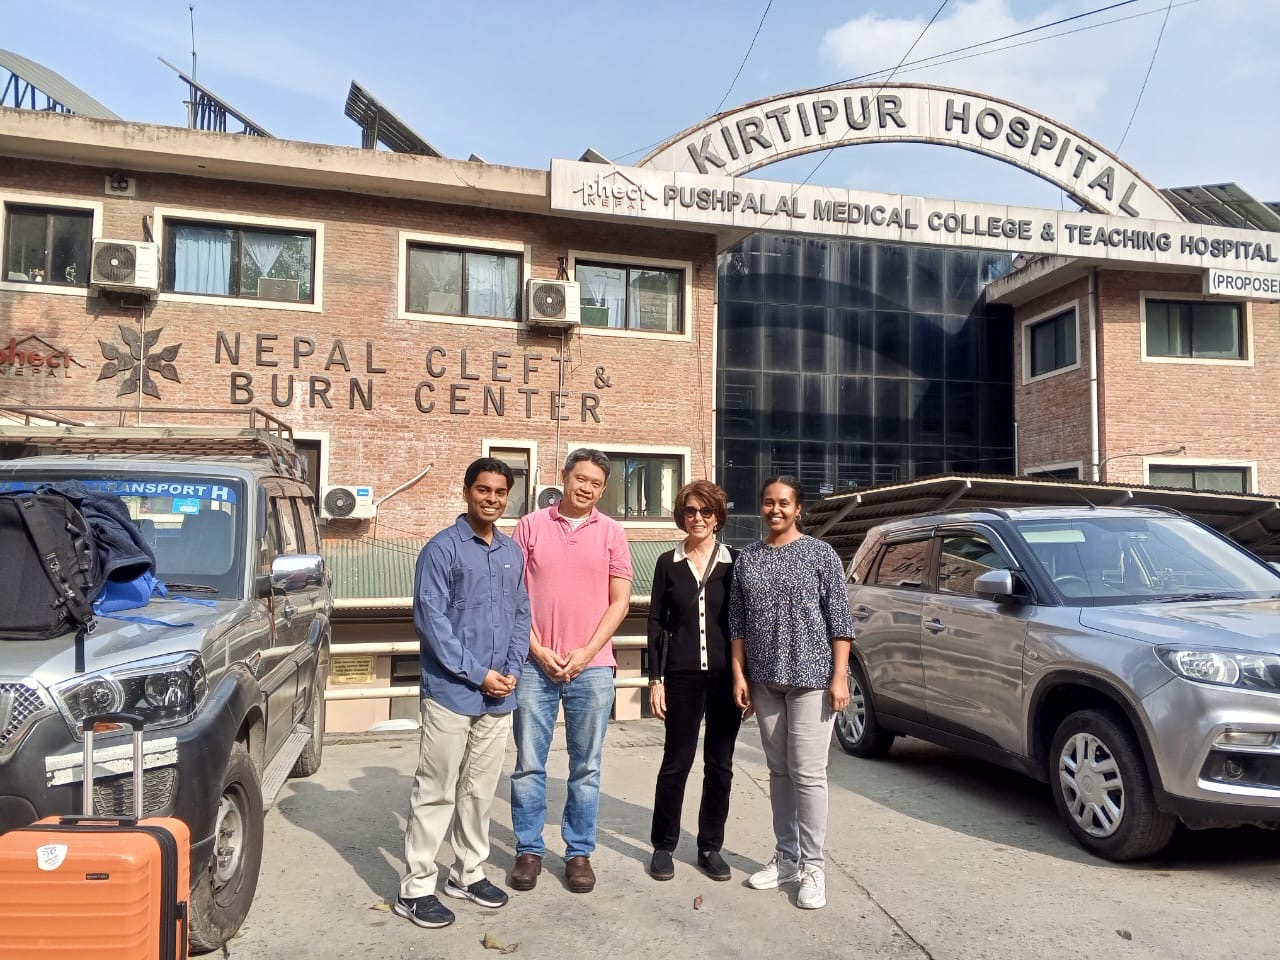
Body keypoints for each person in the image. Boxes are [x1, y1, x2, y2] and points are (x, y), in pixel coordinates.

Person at [394, 457, 531, 930]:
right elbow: (433, 625)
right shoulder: (441, 550)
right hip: (451, 692)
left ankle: (468, 873)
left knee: (479, 791)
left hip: (499, 694)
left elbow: (520, 617)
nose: (491, 499)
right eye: (483, 490)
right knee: (436, 790)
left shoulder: (512, 553)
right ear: (467, 491)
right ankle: (415, 889)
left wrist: (510, 670)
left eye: (499, 492)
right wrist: (479, 674)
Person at [509, 448, 633, 894]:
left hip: (593, 668)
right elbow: (513, 597)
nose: (587, 488)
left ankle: (578, 852)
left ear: (602, 488)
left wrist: (585, 652)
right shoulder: (530, 526)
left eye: (596, 483)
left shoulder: (613, 533)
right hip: (533, 664)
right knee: (528, 764)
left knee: (587, 767)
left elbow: (620, 601)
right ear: (564, 477)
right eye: (580, 478)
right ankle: (528, 849)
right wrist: (537, 649)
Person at [729, 475, 854, 911]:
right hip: (765, 682)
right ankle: (786, 859)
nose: (775, 509)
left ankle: (814, 866)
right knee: (779, 772)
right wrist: (738, 674)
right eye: (768, 502)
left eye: (784, 503)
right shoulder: (748, 558)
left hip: (812, 680)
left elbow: (840, 622)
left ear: (798, 509)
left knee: (808, 773)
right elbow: (738, 624)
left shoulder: (821, 554)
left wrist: (840, 678)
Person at [646, 480, 740, 882]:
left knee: (720, 765)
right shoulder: (668, 561)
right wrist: (656, 679)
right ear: (681, 516)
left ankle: (709, 846)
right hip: (682, 676)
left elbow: (743, 625)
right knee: (676, 763)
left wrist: (744, 678)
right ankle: (663, 845)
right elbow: (655, 622)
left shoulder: (736, 562)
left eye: (705, 511)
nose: (697, 518)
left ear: (718, 516)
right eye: (690, 511)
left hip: (724, 678)